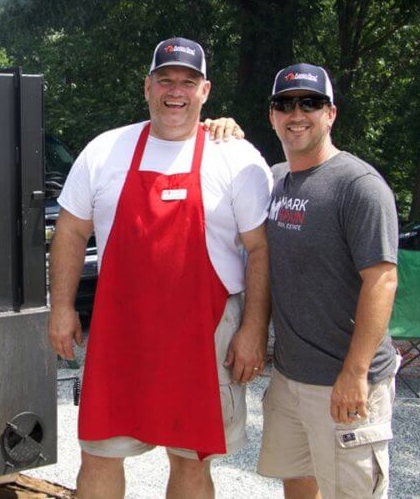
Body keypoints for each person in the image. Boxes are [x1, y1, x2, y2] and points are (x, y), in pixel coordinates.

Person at [48, 37, 272, 499]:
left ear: (205, 91)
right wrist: (62, 308)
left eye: (188, 82)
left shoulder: (235, 157)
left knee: (191, 459)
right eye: (165, 80)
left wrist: (254, 329)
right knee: (99, 452)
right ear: (147, 87)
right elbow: (69, 231)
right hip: (121, 331)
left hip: (206, 331)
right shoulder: (105, 150)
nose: (176, 91)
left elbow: (260, 250)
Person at [257, 63, 399, 498]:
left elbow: (382, 280)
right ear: (272, 116)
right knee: (298, 487)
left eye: (310, 103)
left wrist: (356, 372)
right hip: (289, 378)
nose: (297, 113)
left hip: (345, 380)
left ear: (331, 113)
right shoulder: (273, 180)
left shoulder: (358, 185)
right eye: (285, 104)